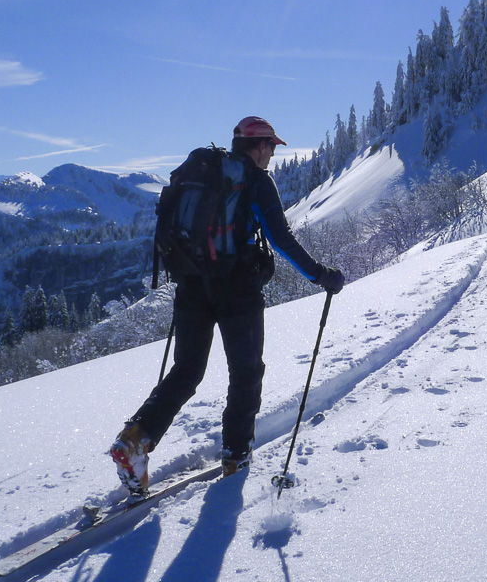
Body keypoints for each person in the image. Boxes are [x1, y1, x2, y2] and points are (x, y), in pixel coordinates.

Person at [111, 116, 345, 492]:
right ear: (260, 145)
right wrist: (321, 276)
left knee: (186, 372)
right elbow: (280, 238)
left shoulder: (200, 172)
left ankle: (135, 439)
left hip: (190, 283)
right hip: (237, 290)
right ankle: (236, 457)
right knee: (246, 372)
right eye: (271, 147)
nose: (272, 155)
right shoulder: (255, 180)